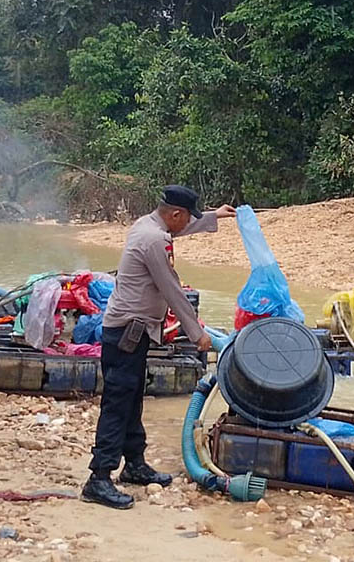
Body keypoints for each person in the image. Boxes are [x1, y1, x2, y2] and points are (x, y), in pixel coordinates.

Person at [82, 185, 236, 509]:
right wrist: (197, 333)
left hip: (134, 333)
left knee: (132, 398)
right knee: (118, 404)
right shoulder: (154, 239)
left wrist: (213, 217)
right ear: (175, 214)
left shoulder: (150, 225)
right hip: (126, 334)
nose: (187, 223)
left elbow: (180, 227)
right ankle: (98, 478)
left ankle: (134, 464)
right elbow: (171, 289)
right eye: (187, 217)